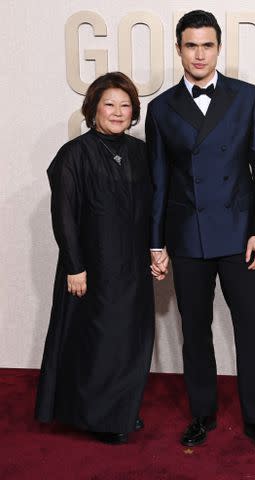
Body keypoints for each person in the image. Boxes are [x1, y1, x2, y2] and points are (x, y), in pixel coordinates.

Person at [146, 10, 255, 455]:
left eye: (207, 45)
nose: (199, 54)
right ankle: (202, 415)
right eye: (191, 45)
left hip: (242, 235)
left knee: (250, 329)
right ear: (179, 49)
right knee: (196, 331)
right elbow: (159, 181)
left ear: (218, 48)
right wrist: (156, 241)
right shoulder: (161, 107)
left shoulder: (246, 97)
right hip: (187, 237)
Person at [35, 72, 155, 445]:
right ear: (93, 108)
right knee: (97, 343)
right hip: (91, 267)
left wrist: (158, 248)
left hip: (133, 266)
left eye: (125, 105)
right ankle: (96, 417)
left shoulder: (140, 152)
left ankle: (121, 412)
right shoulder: (73, 155)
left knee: (131, 341)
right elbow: (65, 214)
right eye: (110, 104)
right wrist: (75, 265)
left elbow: (154, 207)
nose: (118, 112)